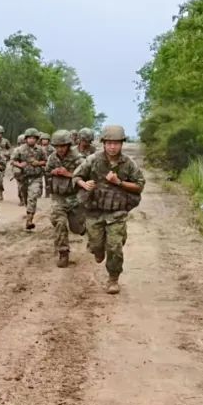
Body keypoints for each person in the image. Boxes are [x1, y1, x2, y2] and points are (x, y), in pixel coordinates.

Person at [73, 125, 145, 294]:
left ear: (122, 144)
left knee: (114, 247)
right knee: (96, 245)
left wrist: (119, 182)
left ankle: (113, 279)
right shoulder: (93, 159)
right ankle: (97, 250)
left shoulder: (128, 163)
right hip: (94, 211)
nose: (112, 147)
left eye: (116, 143)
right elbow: (76, 176)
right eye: (109, 143)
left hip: (116, 212)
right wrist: (84, 184)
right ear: (104, 143)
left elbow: (139, 185)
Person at [45, 130, 84, 268]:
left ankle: (86, 230)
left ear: (68, 145)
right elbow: (47, 170)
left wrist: (68, 174)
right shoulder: (52, 157)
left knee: (77, 228)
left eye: (63, 146)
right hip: (58, 197)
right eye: (57, 146)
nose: (60, 149)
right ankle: (63, 253)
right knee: (59, 222)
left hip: (74, 197)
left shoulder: (78, 158)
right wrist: (53, 172)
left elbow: (87, 175)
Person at [12, 128, 46, 230]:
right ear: (26, 139)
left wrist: (38, 163)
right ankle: (29, 212)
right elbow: (12, 160)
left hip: (36, 177)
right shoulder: (19, 149)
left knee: (33, 197)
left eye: (33, 138)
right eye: (29, 138)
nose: (31, 140)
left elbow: (46, 161)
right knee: (26, 197)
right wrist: (19, 165)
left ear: (37, 139)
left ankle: (29, 220)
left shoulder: (40, 150)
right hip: (23, 178)